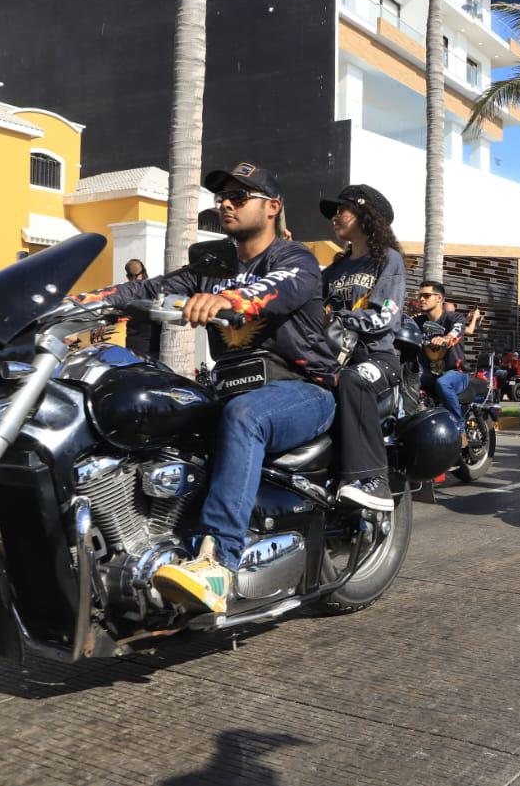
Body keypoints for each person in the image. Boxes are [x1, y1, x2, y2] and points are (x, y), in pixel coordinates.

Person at [86, 162, 335, 613]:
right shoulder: (211, 265)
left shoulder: (294, 259)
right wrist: (81, 304)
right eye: (222, 197)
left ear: (272, 208)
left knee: (246, 415)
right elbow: (148, 289)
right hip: (232, 390)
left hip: (303, 390)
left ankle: (218, 562)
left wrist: (228, 299)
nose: (226, 203)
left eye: (240, 197)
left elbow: (276, 288)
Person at [320, 184, 405, 511]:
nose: (334, 218)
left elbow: (386, 316)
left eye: (341, 210)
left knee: (355, 380)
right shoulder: (336, 269)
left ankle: (375, 480)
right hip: (333, 359)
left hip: (377, 358)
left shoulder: (388, 260)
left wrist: (340, 319)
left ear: (366, 215)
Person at [415, 281, 468, 430]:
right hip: (428, 374)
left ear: (439, 298)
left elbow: (456, 331)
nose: (421, 299)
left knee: (443, 383)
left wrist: (445, 338)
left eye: (426, 295)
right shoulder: (417, 322)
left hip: (456, 373)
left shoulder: (454, 318)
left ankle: (459, 427)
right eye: (420, 296)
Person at [120, 259, 162, 359]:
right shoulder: (153, 289)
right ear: (144, 273)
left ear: (127, 276)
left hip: (133, 344)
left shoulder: (125, 291)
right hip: (154, 344)